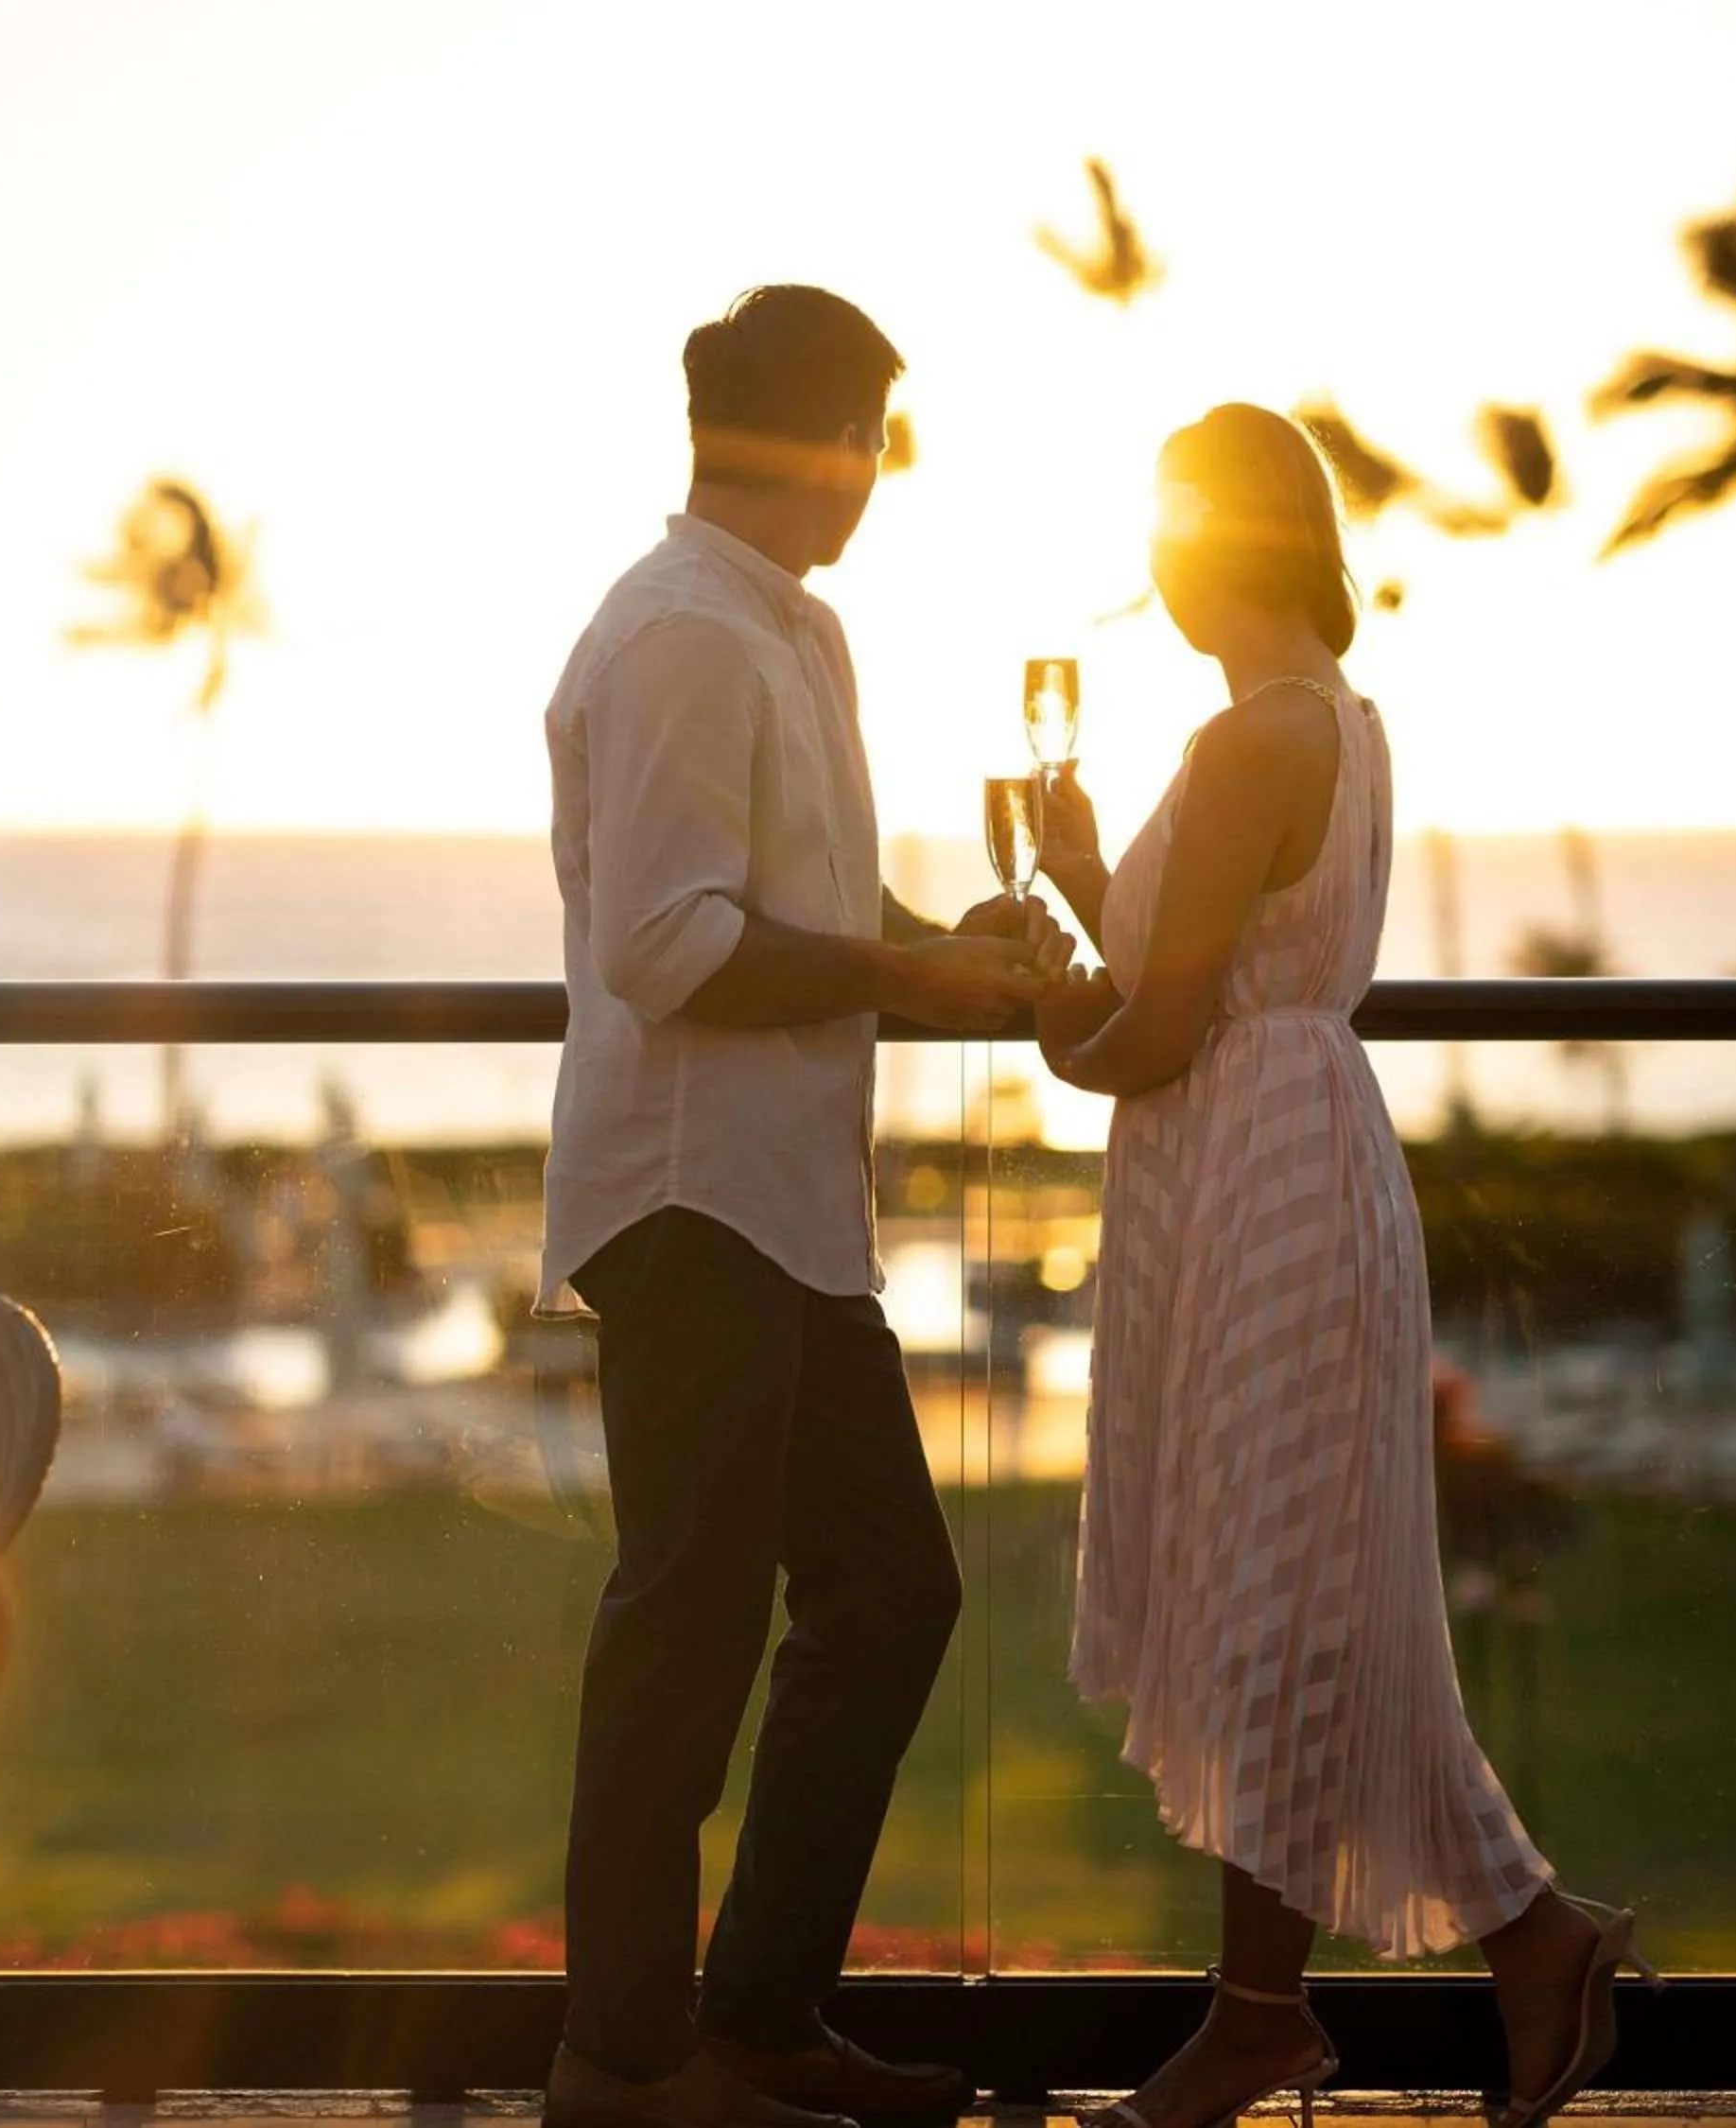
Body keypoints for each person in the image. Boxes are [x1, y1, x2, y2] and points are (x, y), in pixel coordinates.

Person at [1033, 405, 1655, 2128]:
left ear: (1205, 549)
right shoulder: (1339, 725)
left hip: (1266, 1185)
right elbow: (1216, 977)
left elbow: (1160, 1032)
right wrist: (1092, 890)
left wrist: (1042, 1013)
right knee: (1321, 1599)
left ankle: (1263, 2019)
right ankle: (1530, 1946)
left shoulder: (1250, 744)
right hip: (1307, 1156)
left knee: (1277, 1605)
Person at [539, 284, 1071, 2128]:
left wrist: (948, 952)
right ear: (810, 440)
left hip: (788, 1223)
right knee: (683, 1640)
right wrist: (903, 979)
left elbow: (812, 909)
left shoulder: (800, 635)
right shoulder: (681, 636)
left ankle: (756, 2024)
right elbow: (672, 948)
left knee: (888, 1594)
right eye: (871, 436)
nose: (876, 475)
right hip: (692, 1211)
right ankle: (622, 2071)